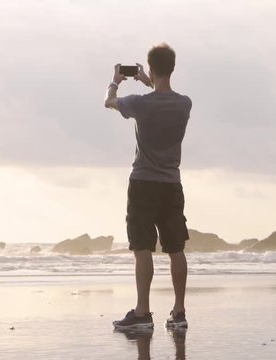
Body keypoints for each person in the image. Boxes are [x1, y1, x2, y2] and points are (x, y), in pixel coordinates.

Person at [104, 43, 192, 329]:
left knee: (142, 248)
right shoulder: (184, 104)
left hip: (143, 182)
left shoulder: (140, 104)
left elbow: (109, 101)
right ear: (173, 68)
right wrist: (149, 80)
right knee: (175, 248)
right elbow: (162, 91)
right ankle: (179, 312)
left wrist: (115, 81)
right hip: (171, 183)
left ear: (151, 68)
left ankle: (143, 313)